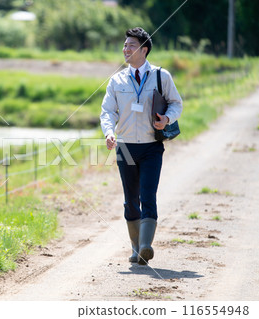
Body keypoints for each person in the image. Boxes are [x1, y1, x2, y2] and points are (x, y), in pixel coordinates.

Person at [100, 27, 182, 265]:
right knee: (130, 199)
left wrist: (166, 118)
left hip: (151, 147)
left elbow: (176, 104)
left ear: (144, 50)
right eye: (125, 45)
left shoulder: (161, 76)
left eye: (131, 45)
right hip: (125, 146)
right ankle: (136, 248)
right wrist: (108, 132)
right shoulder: (116, 80)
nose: (126, 49)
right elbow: (107, 111)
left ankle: (146, 246)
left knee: (148, 194)